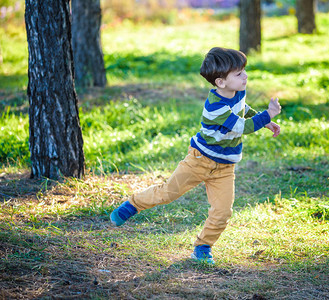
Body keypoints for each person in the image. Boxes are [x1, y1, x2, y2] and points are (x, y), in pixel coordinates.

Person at [110, 47, 281, 264]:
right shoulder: (215, 107)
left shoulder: (237, 92)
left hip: (225, 168)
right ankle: (133, 204)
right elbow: (240, 127)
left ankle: (202, 247)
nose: (245, 76)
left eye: (244, 70)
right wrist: (268, 114)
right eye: (239, 74)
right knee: (168, 193)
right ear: (221, 82)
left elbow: (242, 109)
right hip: (199, 161)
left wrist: (264, 121)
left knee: (222, 212)